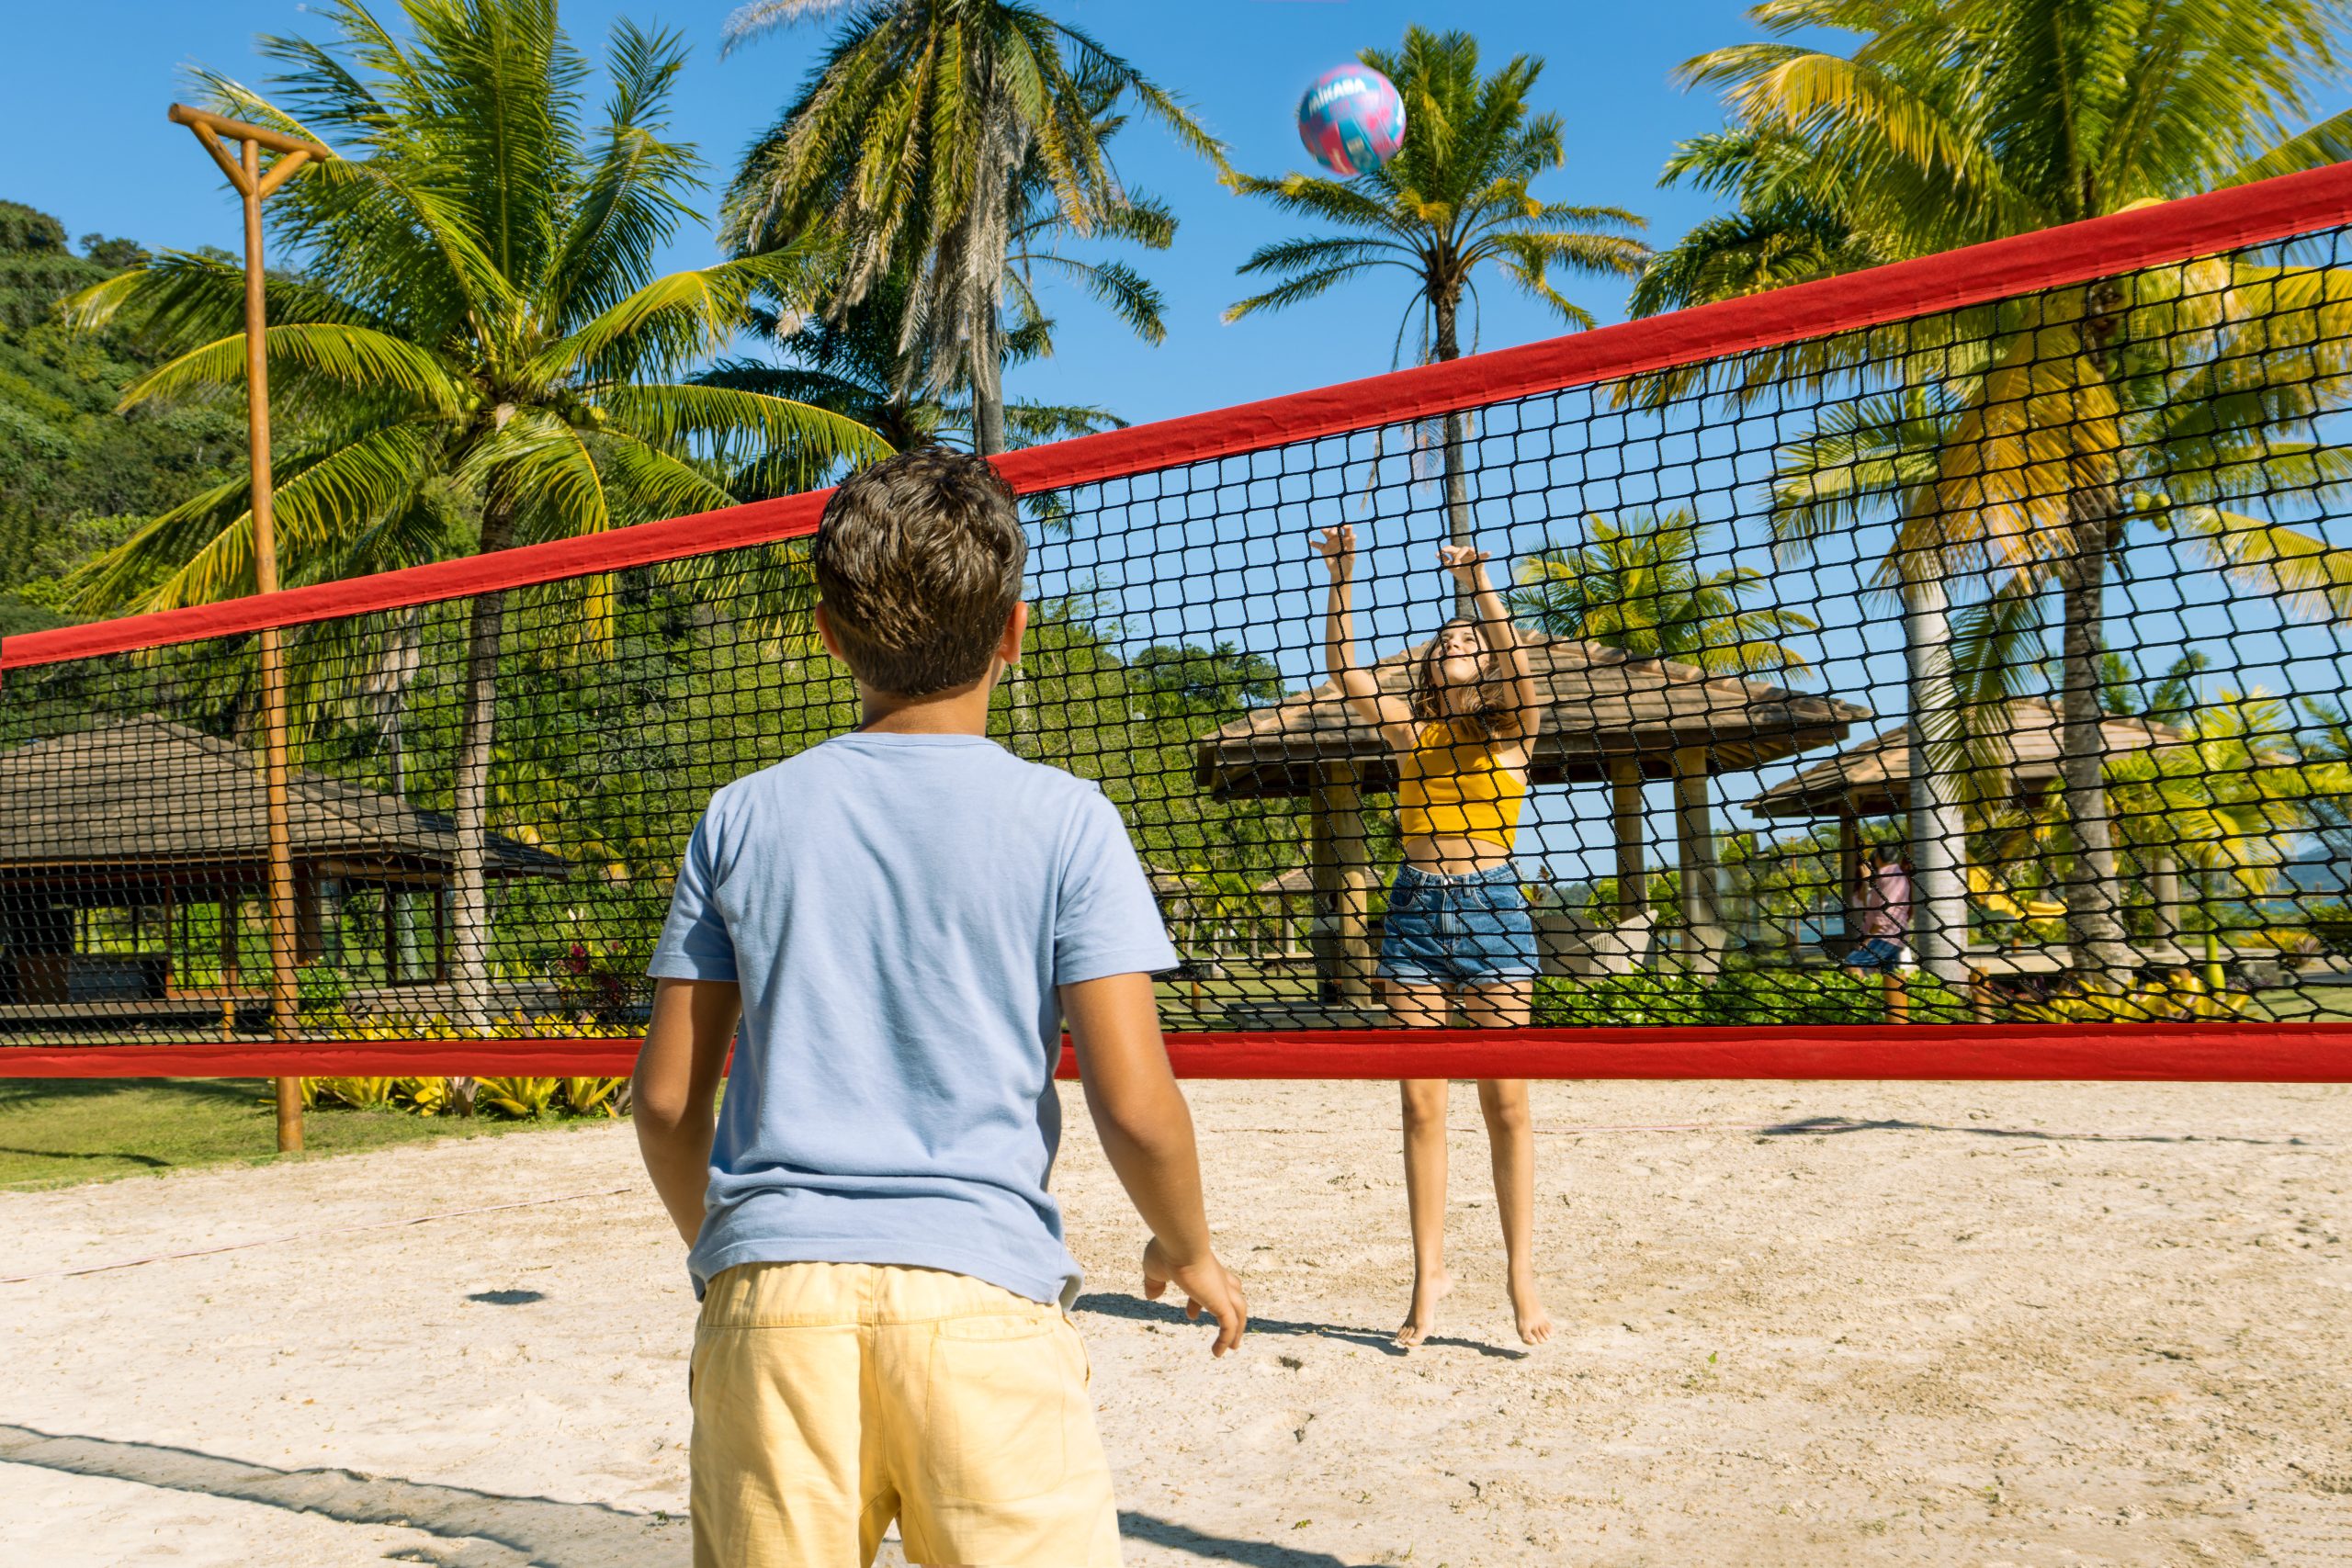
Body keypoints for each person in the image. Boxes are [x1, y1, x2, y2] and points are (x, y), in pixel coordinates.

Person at [634, 447, 1248, 1568]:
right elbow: (1135, 1101)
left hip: (769, 1304)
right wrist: (1187, 1244)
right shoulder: (1068, 820)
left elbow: (668, 1101)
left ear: (828, 633)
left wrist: (735, 1250)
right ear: (1013, 631)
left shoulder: (740, 817)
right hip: (980, 1299)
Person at [1313, 524, 1553, 1349]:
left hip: (1492, 907)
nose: (1458, 640)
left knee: (1506, 1104)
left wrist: (1480, 585)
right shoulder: (1413, 733)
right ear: (1426, 669)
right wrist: (1344, 574)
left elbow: (1519, 664)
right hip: (1414, 911)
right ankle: (1430, 1273)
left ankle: (1519, 1270)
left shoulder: (1512, 727)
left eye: (1470, 639)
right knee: (1420, 1104)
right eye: (1445, 637)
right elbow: (1345, 671)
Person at [1844, 844, 1916, 972]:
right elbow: (1860, 903)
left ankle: (1858, 992)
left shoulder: (1890, 877)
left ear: (1877, 857)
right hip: (1892, 934)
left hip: (1884, 935)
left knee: (1852, 962)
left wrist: (1868, 939)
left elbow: (1885, 914)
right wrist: (1866, 880)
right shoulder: (1882, 880)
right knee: (1891, 975)